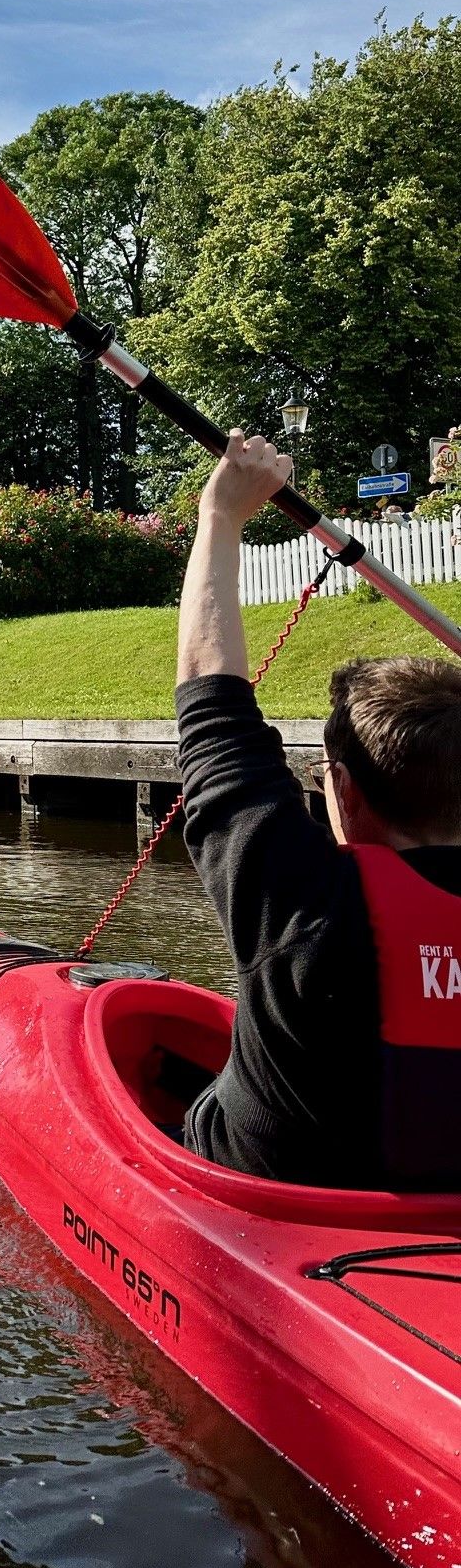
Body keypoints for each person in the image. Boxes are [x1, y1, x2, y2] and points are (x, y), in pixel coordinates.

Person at [175, 428, 461, 1189]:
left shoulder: (302, 902)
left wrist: (221, 517)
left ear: (341, 789)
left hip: (281, 1213)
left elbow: (213, 702)